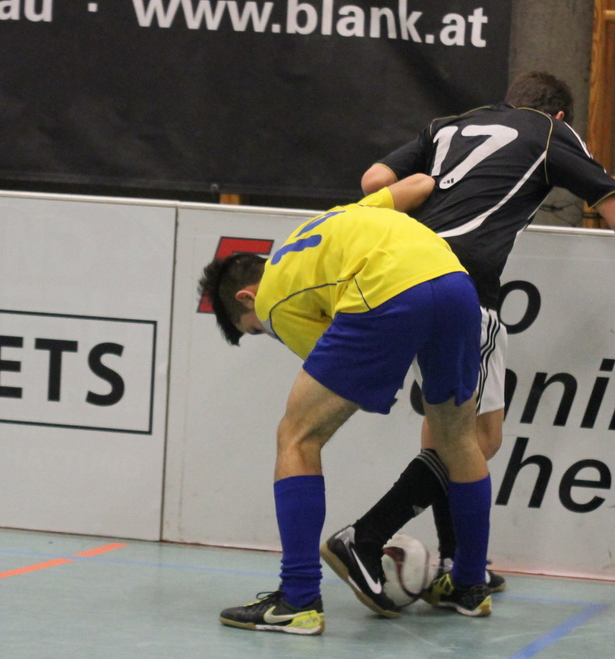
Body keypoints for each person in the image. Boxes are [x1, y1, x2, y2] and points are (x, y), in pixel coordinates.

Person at [322, 71, 615, 612]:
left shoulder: (448, 125)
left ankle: (457, 568)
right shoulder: (549, 132)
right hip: (460, 287)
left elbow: (373, 181)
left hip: (399, 276)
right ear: (559, 115)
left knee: (446, 429)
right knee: (479, 439)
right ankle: (367, 537)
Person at [199, 174, 494, 636]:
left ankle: (298, 600)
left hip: (388, 288)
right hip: (455, 281)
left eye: (255, 328)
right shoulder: (330, 221)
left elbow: (345, 371)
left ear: (247, 296)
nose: (268, 331)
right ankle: (469, 585)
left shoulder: (273, 299)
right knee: (459, 439)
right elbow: (420, 184)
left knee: (297, 436)